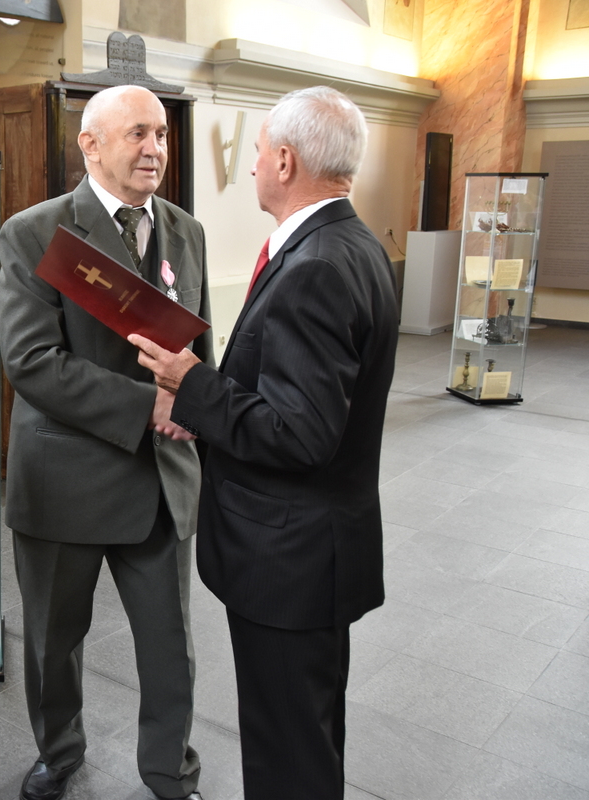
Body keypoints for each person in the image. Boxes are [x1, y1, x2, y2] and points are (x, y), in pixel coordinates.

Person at [130, 86, 398, 800]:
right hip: (312, 553)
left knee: (287, 754)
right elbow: (293, 399)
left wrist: (193, 383)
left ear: (284, 160)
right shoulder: (352, 244)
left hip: (289, 558)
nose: (252, 167)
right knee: (306, 734)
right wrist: (209, 410)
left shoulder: (315, 266)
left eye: (257, 154)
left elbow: (301, 433)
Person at [0, 84, 213, 800]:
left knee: (170, 648)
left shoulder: (187, 230)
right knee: (54, 643)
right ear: (89, 144)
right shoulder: (35, 233)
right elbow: (31, 364)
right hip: (66, 479)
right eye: (137, 135)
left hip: (159, 477)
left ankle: (170, 772)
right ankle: (59, 754)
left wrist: (197, 403)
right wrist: (150, 405)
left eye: (160, 134)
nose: (155, 148)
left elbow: (198, 347)